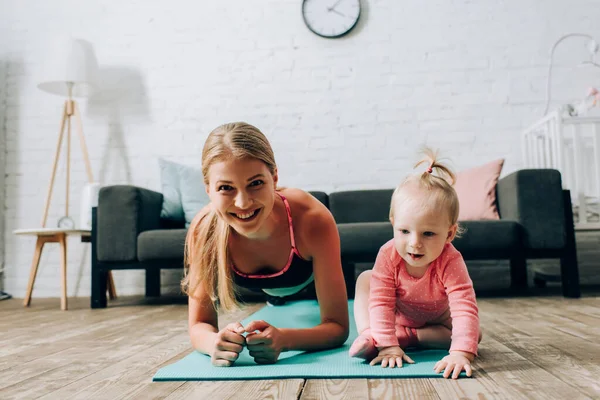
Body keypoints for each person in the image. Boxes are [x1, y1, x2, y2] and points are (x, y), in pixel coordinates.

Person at [182, 122, 349, 367]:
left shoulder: (313, 221)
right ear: (208, 190)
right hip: (269, 289)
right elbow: (199, 325)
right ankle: (276, 300)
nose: (242, 203)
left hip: (305, 282)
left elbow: (337, 327)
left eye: (256, 183)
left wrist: (286, 338)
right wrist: (214, 343)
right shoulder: (204, 230)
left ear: (275, 177)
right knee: (278, 301)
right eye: (225, 188)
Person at [349, 148, 482, 380]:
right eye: (404, 231)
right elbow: (380, 302)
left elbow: (464, 306)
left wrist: (461, 353)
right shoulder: (388, 254)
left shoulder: (450, 260)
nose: (414, 243)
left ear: (449, 234)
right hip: (397, 313)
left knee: (474, 335)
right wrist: (388, 347)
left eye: (428, 233)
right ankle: (371, 334)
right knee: (365, 279)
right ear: (393, 224)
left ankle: (407, 337)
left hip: (438, 319)